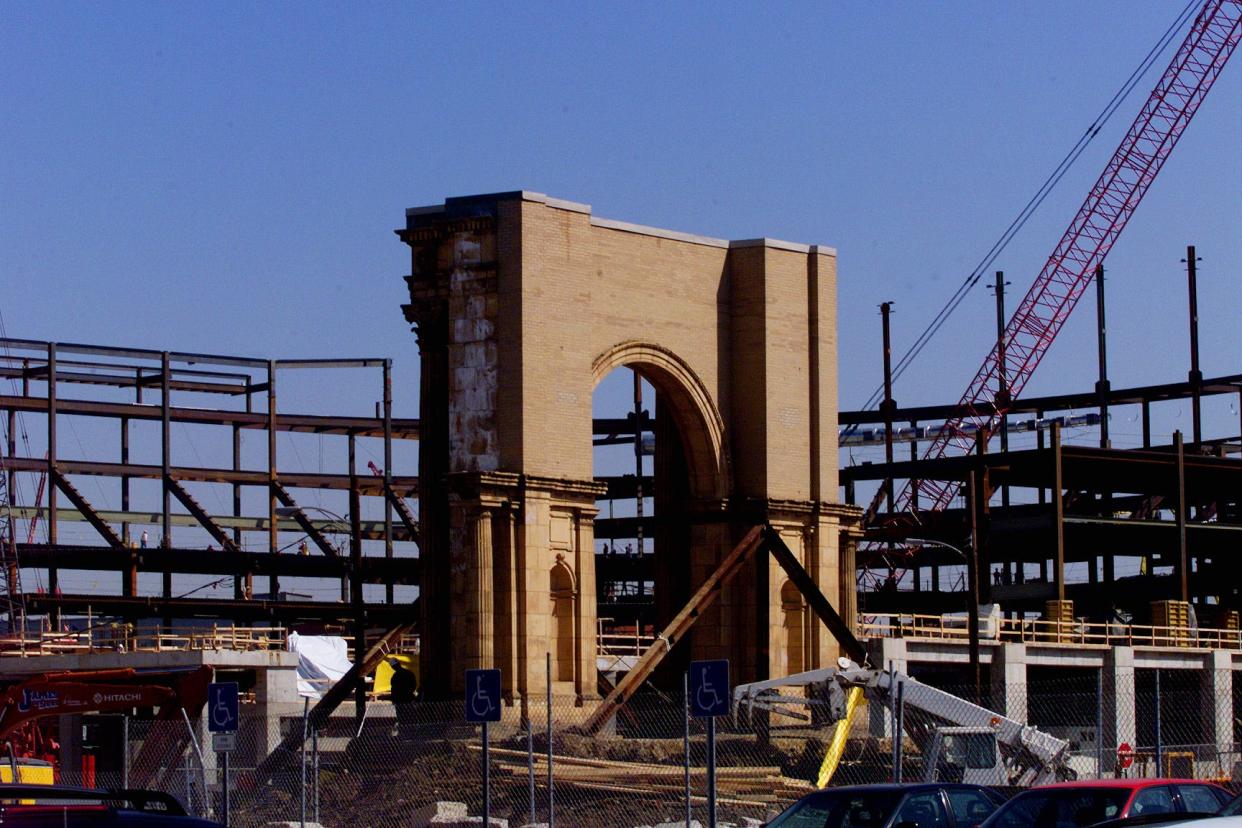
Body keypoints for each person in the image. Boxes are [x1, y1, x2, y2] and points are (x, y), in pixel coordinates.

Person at [389, 657, 418, 729]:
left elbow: (394, 689)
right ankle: (411, 730)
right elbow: (414, 685)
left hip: (399, 700)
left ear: (392, 667)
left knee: (401, 716)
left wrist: (394, 699)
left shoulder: (395, 676)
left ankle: (403, 730)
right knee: (409, 715)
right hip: (408, 698)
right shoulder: (409, 673)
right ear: (399, 664)